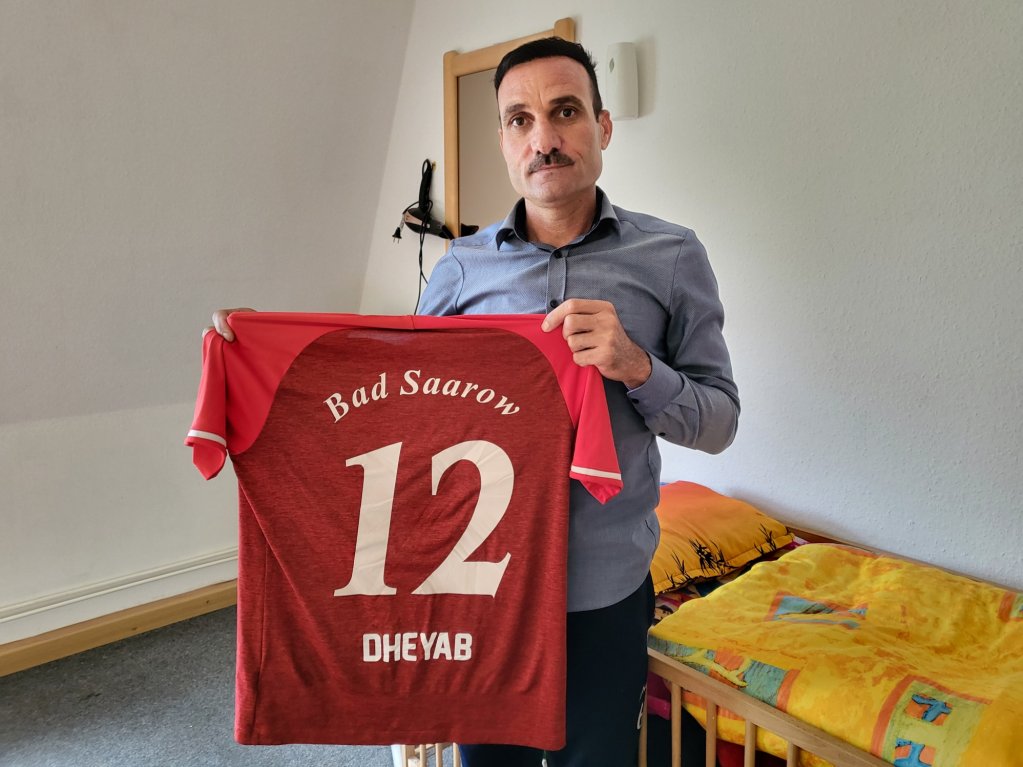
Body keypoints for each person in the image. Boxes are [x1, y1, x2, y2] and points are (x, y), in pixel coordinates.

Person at [209, 36, 738, 767]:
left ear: (603, 126)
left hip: (605, 584)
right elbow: (399, 409)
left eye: (565, 112)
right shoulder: (461, 269)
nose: (544, 139)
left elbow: (719, 422)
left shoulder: (672, 257)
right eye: (520, 120)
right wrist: (261, 353)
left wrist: (635, 365)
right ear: (503, 142)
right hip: (478, 586)